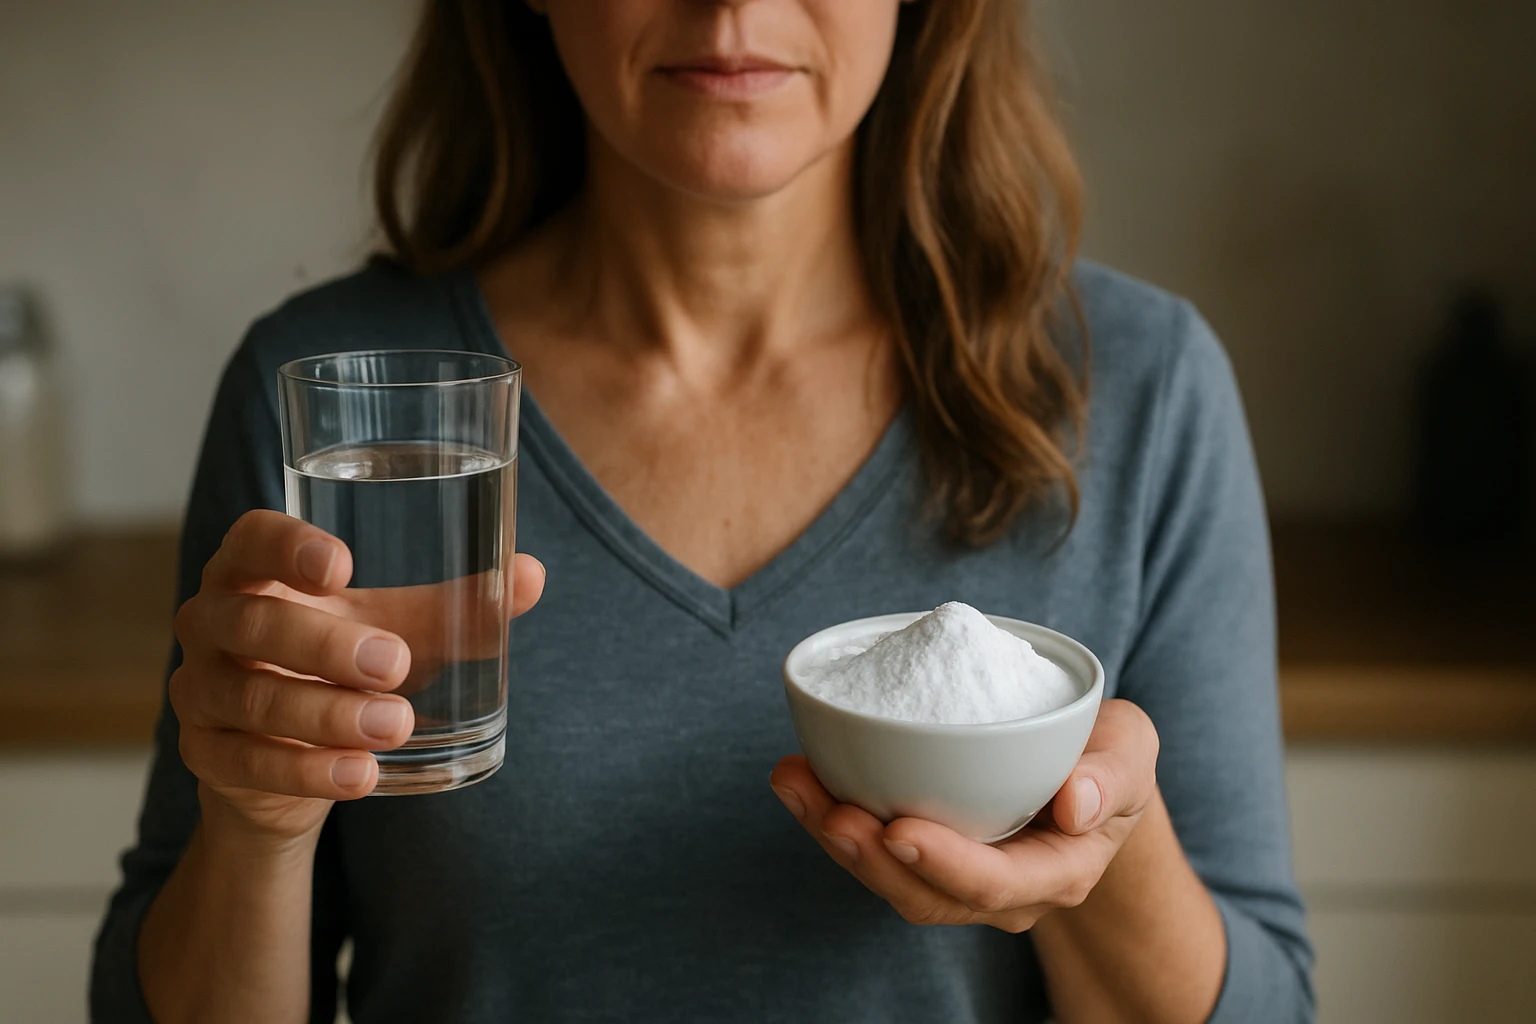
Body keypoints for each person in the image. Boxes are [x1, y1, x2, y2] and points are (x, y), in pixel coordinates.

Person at [91, 2, 1314, 1022]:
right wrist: (257, 823)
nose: (732, 2)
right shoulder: (331, 410)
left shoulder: (1144, 388)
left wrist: (1107, 849)